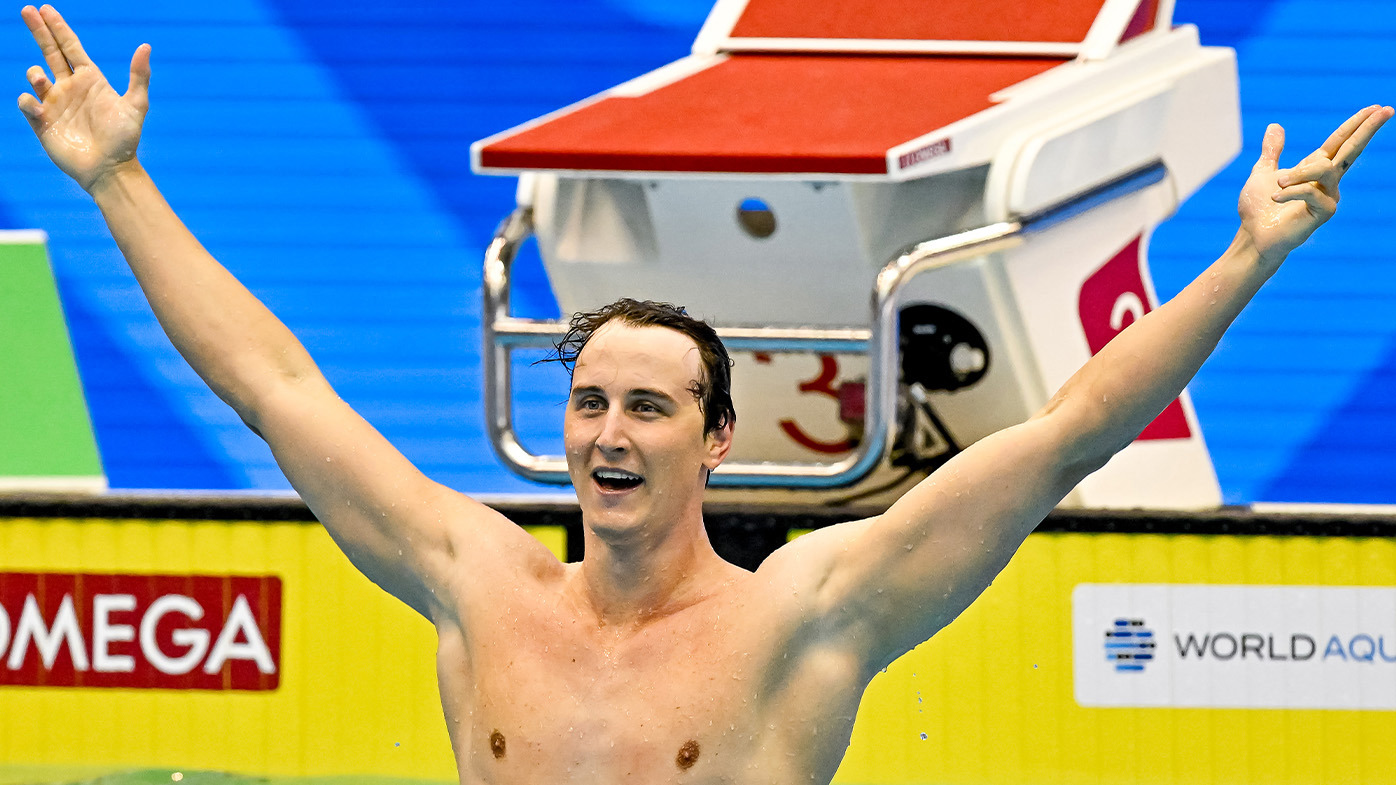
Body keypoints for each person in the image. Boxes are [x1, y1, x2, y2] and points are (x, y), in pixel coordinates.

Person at [16, 4, 1391, 783]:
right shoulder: (476, 580)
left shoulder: (810, 610)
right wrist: (117, 182)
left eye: (651, 407)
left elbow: (1070, 429)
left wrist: (1248, 258)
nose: (610, 432)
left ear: (718, 438)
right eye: (592, 400)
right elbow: (275, 384)